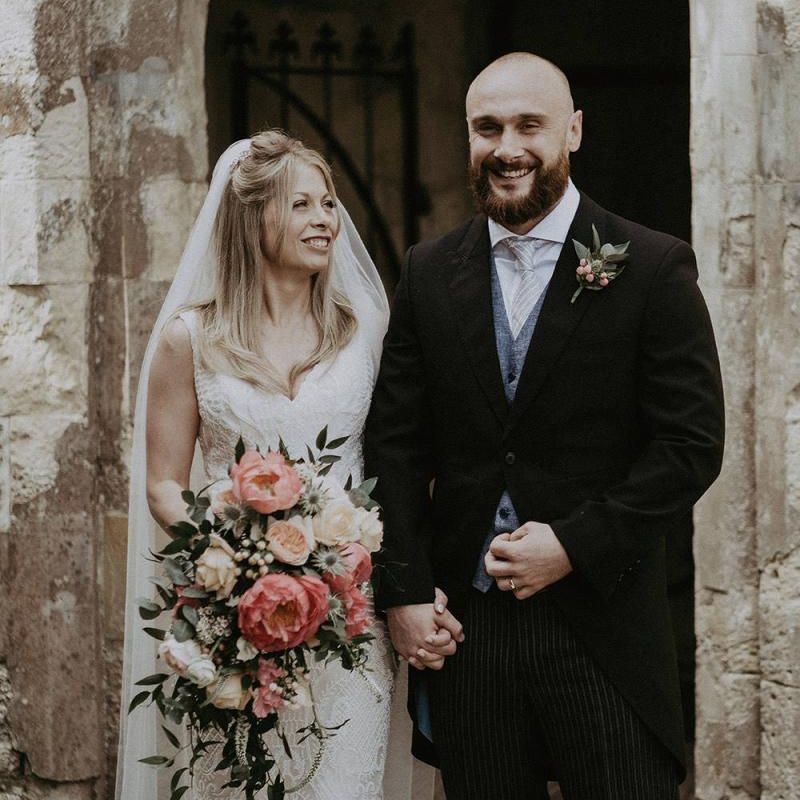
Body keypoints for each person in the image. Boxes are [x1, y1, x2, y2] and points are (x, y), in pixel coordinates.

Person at [365, 52, 725, 799]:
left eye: (530, 125)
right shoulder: (429, 271)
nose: (508, 148)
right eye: (487, 128)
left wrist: (573, 544)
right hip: (468, 633)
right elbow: (394, 445)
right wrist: (403, 590)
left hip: (603, 626)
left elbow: (690, 446)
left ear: (574, 131)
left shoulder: (653, 266)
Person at [115, 130, 458, 799]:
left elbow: (404, 462)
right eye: (302, 205)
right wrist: (237, 554)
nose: (325, 219)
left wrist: (414, 577)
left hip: (352, 623)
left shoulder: (365, 332)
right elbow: (163, 484)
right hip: (239, 628)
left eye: (328, 203)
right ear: (252, 218)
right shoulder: (190, 339)